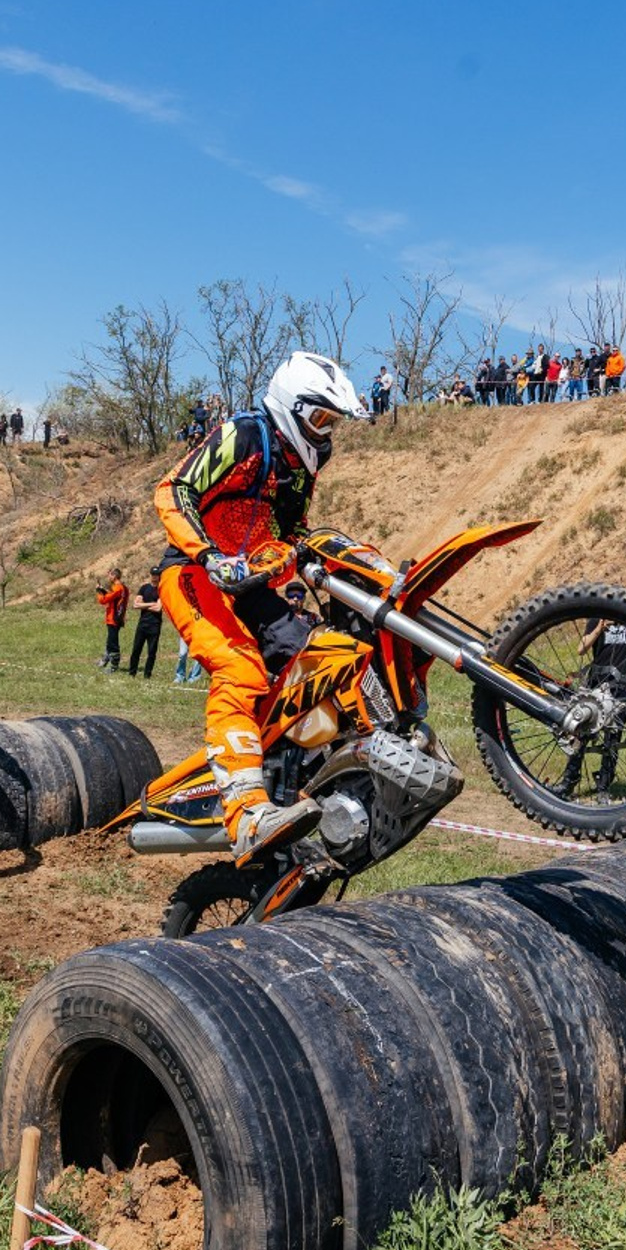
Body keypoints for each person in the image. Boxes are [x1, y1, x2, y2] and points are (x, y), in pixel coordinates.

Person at [154, 350, 367, 867]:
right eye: (320, 419)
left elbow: (289, 531)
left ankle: (293, 778)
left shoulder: (300, 468)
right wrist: (207, 554)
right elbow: (173, 489)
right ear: (291, 408)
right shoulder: (245, 435)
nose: (325, 433)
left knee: (316, 661)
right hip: (192, 571)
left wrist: (312, 554)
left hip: (249, 582)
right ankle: (246, 815)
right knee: (238, 667)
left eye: (332, 423)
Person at [573, 617, 626, 803]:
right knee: (582, 734)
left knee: (613, 740)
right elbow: (581, 649)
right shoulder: (596, 618)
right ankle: (568, 781)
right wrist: (599, 629)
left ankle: (603, 787)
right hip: (597, 686)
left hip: (622, 688)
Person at [127, 567, 164, 679]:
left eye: (156, 574)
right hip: (142, 624)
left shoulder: (162, 590)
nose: (154, 576)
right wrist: (151, 603)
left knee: (151, 652)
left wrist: (144, 604)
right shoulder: (144, 588)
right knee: (136, 650)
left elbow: (158, 608)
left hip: (155, 625)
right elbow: (135, 605)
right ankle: (132, 673)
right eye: (153, 574)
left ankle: (147, 675)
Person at [95, 567, 128, 670]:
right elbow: (112, 596)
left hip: (113, 618)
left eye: (109, 575)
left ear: (114, 576)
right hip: (117, 618)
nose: (108, 577)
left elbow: (103, 600)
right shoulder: (123, 588)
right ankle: (105, 660)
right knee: (110, 641)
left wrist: (98, 591)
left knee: (113, 643)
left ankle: (114, 665)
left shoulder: (117, 588)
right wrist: (102, 590)